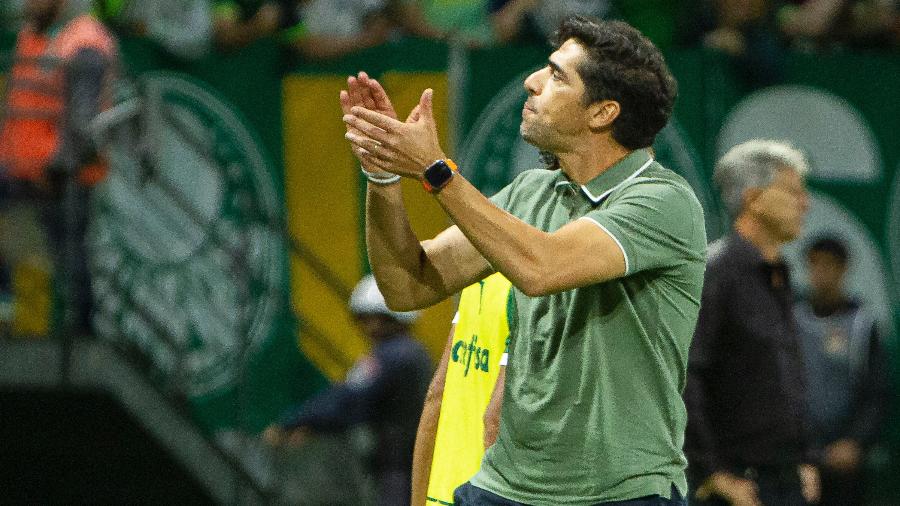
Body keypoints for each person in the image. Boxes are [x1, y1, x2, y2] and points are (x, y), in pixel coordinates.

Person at [341, 16, 706, 505]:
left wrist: (435, 171)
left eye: (557, 76)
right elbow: (408, 286)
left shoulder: (663, 201)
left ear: (602, 113)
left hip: (620, 495)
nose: (532, 82)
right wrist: (383, 177)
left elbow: (542, 269)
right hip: (504, 488)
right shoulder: (532, 192)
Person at [684, 139, 819, 506]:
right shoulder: (716, 273)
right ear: (754, 198)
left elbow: (788, 377)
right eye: (793, 192)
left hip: (786, 481)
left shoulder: (779, 274)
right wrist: (713, 474)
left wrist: (804, 459)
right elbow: (686, 375)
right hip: (738, 488)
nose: (805, 203)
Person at [0, 0, 118, 336]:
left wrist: (58, 168)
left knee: (70, 253)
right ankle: (6, 315)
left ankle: (82, 335)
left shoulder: (84, 42)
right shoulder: (35, 35)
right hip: (22, 169)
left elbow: (84, 123)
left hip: (62, 175)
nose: (27, 3)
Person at [263, 274, 432, 506]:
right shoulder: (414, 353)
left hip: (397, 468)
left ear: (390, 318)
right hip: (406, 462)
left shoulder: (392, 356)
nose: (366, 327)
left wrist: (293, 422)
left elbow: (348, 398)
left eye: (372, 318)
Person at [794, 236, 889, 506]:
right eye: (815, 264)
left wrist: (855, 441)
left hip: (846, 459)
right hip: (800, 456)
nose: (821, 272)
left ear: (844, 268)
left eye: (829, 265)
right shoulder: (793, 319)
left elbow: (876, 392)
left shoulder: (863, 325)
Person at [411, 272, 512, 506]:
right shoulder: (529, 297)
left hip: (440, 496)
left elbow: (436, 393)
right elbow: (494, 421)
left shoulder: (475, 285)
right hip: (487, 496)